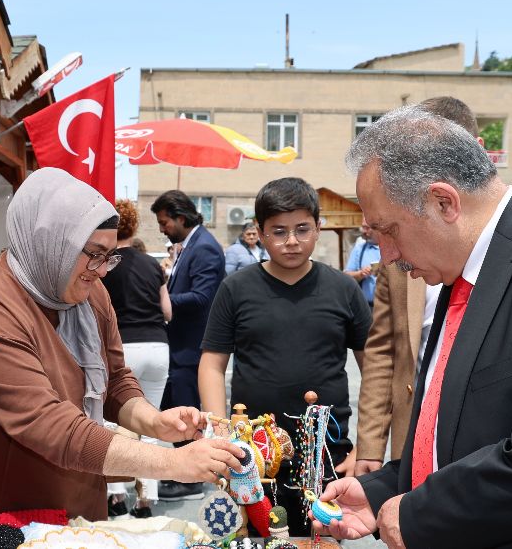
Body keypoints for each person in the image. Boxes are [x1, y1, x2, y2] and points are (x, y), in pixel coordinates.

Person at [317, 105, 512, 548]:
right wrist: (383, 491)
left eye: (388, 231)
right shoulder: (460, 268)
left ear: (444, 202)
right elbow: (458, 432)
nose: (388, 256)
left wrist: (421, 511)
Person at [0, 168, 243, 521]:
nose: (103, 270)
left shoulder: (89, 291)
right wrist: (173, 462)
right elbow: (50, 426)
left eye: (109, 256)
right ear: (50, 241)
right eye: (94, 254)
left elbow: (115, 379)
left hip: (68, 502)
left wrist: (154, 422)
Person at [198, 177, 371, 536]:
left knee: (322, 540)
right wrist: (221, 437)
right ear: (259, 232)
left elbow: (374, 370)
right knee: (256, 538)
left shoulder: (344, 289)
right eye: (278, 231)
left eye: (302, 229)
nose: (291, 241)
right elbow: (212, 366)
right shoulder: (236, 289)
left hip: (327, 456)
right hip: (253, 458)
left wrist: (367, 447)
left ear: (318, 228)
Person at [354, 95, 478, 476]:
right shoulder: (399, 252)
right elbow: (382, 351)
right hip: (415, 436)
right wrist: (370, 446)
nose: (389, 254)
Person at [149, 190, 227, 501]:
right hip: (179, 345)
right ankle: (187, 471)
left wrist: (159, 302)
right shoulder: (189, 245)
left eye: (164, 222)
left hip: (193, 346)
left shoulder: (205, 247)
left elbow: (202, 297)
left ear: (181, 217)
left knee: (189, 415)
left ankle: (194, 478)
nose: (161, 228)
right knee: (176, 408)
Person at [102, 199, 173, 519]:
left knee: (113, 420)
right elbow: (168, 311)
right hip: (158, 348)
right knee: (152, 423)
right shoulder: (152, 266)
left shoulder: (104, 265)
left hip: (122, 348)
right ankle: (145, 501)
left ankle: (116, 495)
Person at [343, 223, 381, 307]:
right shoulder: (359, 249)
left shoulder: (393, 249)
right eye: (362, 227)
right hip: (367, 307)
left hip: (389, 309)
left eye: (366, 228)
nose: (363, 231)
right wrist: (361, 273)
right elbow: (346, 276)